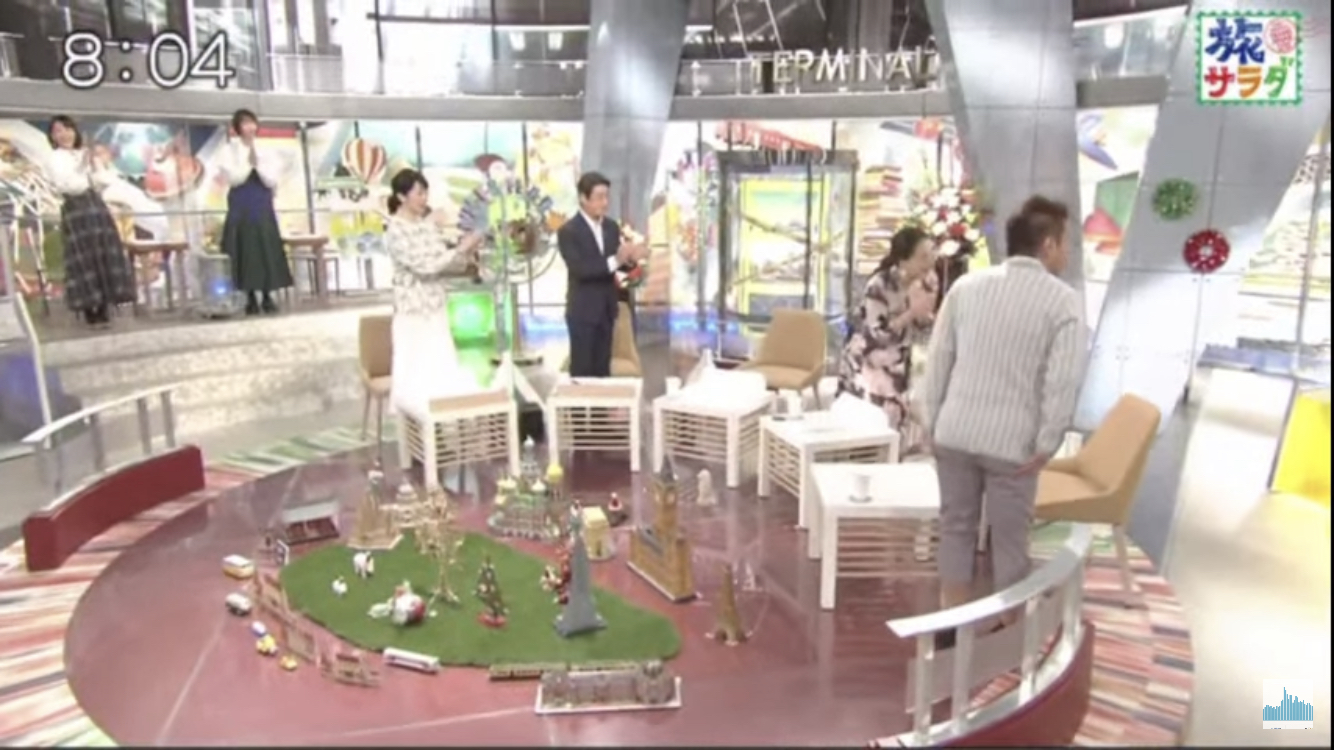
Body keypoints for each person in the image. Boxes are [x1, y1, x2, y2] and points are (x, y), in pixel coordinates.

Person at [918, 195, 1086, 638]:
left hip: (955, 431)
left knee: (955, 527)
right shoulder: (1063, 302)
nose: (1068, 253)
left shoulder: (966, 287)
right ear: (1048, 244)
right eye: (1066, 243)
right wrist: (1047, 442)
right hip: (1014, 445)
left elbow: (938, 360)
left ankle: (951, 622)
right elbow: (1062, 381)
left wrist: (931, 422)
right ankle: (1005, 631)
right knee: (1010, 539)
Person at [383, 168, 485, 405]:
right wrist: (460, 249)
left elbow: (446, 263)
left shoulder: (427, 226)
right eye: (419, 193)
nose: (424, 199)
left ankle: (443, 418)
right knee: (415, 371)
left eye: (425, 193)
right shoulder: (396, 230)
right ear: (401, 196)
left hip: (436, 305)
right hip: (413, 310)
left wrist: (466, 250)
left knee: (441, 366)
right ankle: (414, 419)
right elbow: (425, 266)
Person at [835, 226, 939, 454]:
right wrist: (911, 312)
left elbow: (922, 329)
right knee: (869, 428)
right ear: (903, 260)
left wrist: (925, 316)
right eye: (922, 256)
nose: (930, 261)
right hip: (869, 362)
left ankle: (891, 463)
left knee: (894, 427)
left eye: (932, 253)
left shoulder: (928, 282)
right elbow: (877, 333)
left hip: (898, 363)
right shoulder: (880, 285)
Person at [44, 115, 136, 327]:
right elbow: (66, 185)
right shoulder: (55, 158)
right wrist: (81, 166)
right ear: (52, 136)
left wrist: (94, 166)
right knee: (84, 257)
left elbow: (103, 182)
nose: (64, 134)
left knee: (103, 253)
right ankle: (90, 309)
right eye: (58, 131)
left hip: (96, 206)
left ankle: (105, 305)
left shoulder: (84, 153)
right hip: (76, 208)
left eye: (68, 129)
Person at [556, 171, 646, 377]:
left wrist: (631, 259)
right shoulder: (568, 232)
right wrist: (617, 260)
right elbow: (581, 270)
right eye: (599, 197)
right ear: (583, 198)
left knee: (603, 373)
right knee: (583, 374)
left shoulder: (611, 227)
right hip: (583, 313)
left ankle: (603, 400)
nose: (605, 203)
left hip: (606, 311)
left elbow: (617, 269)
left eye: (607, 197)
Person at [218, 108, 294, 315]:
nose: (250, 127)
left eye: (252, 122)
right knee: (245, 249)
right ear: (237, 128)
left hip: (261, 202)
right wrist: (248, 164)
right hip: (241, 204)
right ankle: (250, 297)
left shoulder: (266, 149)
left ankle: (268, 296)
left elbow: (272, 179)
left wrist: (258, 165)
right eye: (245, 123)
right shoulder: (229, 150)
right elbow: (233, 178)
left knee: (265, 247)